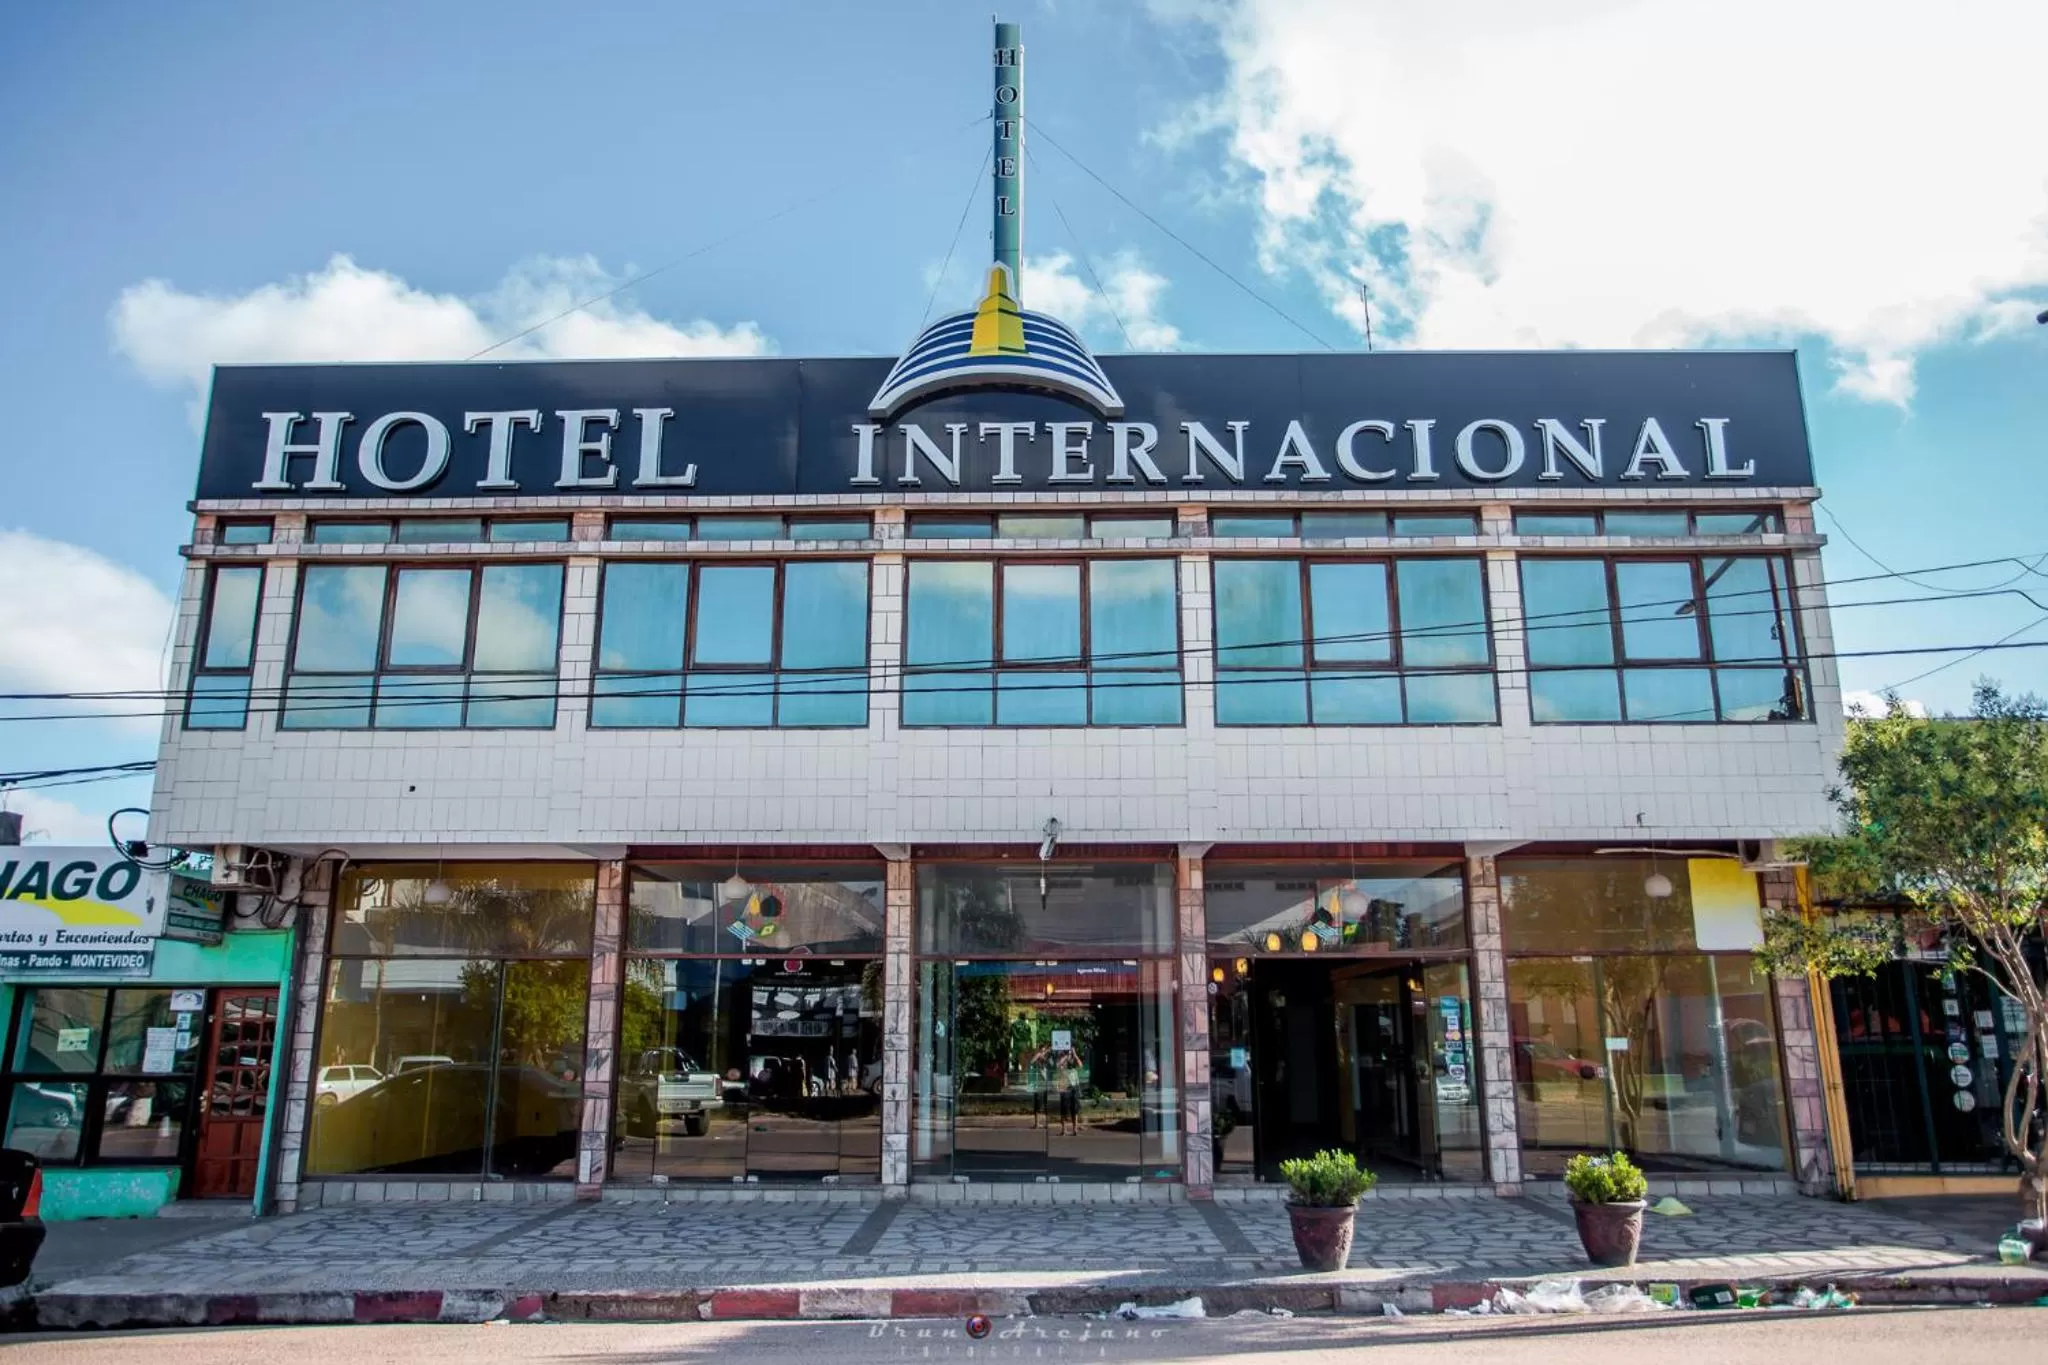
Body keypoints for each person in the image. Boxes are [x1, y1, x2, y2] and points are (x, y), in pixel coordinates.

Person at [1052, 1046, 1082, 1136]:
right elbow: (1057, 1066)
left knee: (1075, 1109)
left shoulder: (1074, 1064)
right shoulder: (1063, 1063)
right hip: (1065, 1088)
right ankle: (1064, 1130)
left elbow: (1080, 1065)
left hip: (1074, 1088)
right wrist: (1066, 1056)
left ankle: (1075, 1129)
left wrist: (1074, 1054)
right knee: (1064, 1110)